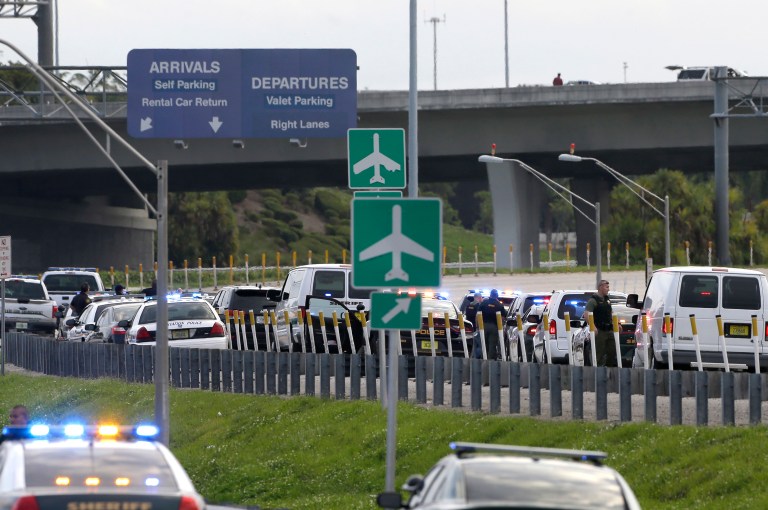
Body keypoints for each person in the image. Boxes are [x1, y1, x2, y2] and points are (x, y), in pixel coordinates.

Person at [584, 279, 616, 367]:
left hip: (609, 330)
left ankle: (609, 370)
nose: (608, 289)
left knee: (612, 351)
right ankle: (597, 371)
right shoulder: (594, 300)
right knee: (598, 353)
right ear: (600, 287)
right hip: (600, 331)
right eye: (607, 287)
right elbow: (587, 314)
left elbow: (611, 313)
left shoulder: (607, 300)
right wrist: (592, 326)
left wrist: (617, 324)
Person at [477, 289, 507, 360]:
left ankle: (483, 359)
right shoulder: (499, 305)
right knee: (492, 345)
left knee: (483, 344)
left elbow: (478, 315)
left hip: (483, 326)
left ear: (490, 295)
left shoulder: (484, 303)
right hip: (494, 327)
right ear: (497, 296)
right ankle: (491, 361)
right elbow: (504, 315)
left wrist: (477, 326)